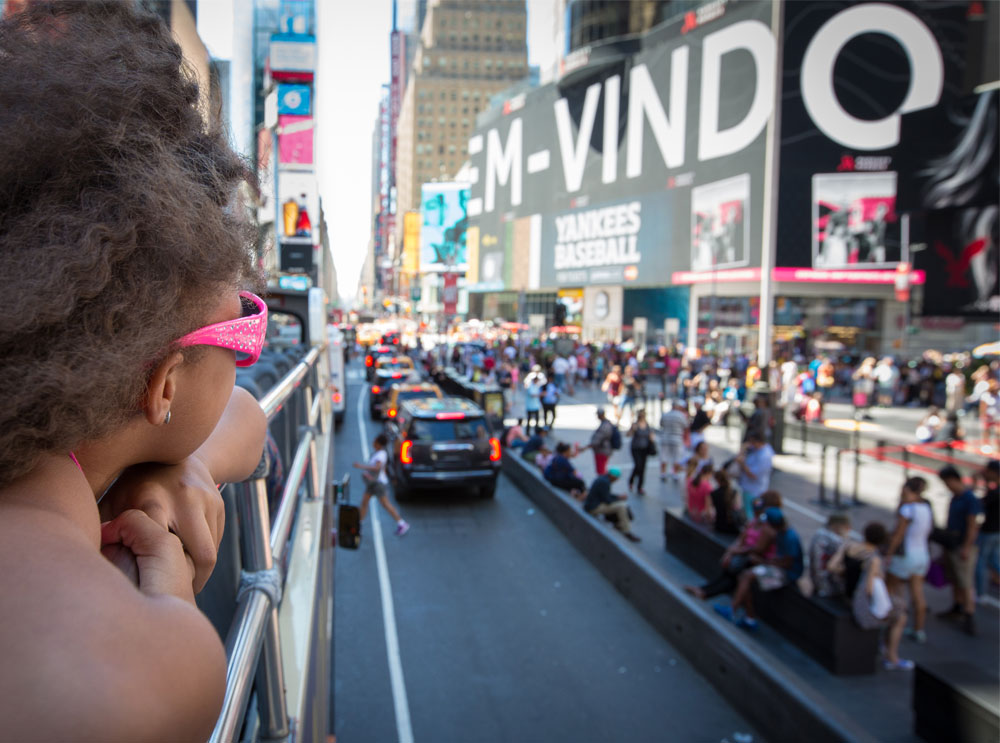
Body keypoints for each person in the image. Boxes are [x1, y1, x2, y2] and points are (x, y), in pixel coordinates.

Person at [0, 3, 270, 737]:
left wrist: (177, 466)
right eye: (243, 330)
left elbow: (243, 421)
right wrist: (172, 601)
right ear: (165, 385)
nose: (249, 352)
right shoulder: (148, 667)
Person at [829, 523, 912, 671]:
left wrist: (847, 573)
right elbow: (869, 590)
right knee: (901, 616)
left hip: (845, 594)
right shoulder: (874, 559)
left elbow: (832, 566)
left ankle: (882, 644)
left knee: (896, 606)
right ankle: (892, 656)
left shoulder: (849, 547)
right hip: (860, 603)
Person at [715, 507, 804, 632]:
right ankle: (749, 618)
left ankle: (733, 609)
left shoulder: (790, 537)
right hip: (777, 566)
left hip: (788, 574)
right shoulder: (779, 533)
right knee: (744, 577)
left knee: (746, 576)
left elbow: (787, 564)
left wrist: (764, 562)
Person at [685, 493, 780, 600]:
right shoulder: (756, 521)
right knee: (731, 569)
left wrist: (736, 552)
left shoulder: (769, 527)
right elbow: (742, 538)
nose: (756, 511)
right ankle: (704, 590)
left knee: (736, 572)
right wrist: (730, 552)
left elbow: (758, 549)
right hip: (746, 554)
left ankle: (706, 592)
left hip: (756, 558)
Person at [885, 477, 933, 643]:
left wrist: (888, 554)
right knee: (917, 594)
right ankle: (919, 629)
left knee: (893, 591)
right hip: (922, 555)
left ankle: (893, 623)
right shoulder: (926, 507)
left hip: (906, 555)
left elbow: (898, 535)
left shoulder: (907, 509)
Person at [936, 465, 982, 634]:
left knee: (966, 583)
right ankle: (957, 607)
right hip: (952, 544)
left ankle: (969, 615)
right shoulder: (957, 497)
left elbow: (972, 525)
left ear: (954, 480)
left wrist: (967, 547)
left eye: (947, 483)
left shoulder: (969, 499)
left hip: (963, 546)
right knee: (955, 579)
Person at [354, 434, 409, 536]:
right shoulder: (379, 453)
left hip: (378, 484)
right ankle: (359, 524)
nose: (373, 444)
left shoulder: (381, 455)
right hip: (373, 483)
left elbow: (377, 468)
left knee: (385, 504)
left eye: (375, 442)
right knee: (364, 502)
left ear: (379, 444)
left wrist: (360, 466)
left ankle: (401, 523)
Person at [583, 468, 641, 542]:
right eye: (616, 478)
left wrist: (618, 497)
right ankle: (626, 531)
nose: (616, 480)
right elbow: (607, 500)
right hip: (593, 508)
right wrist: (619, 499)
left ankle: (619, 524)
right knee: (621, 506)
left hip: (592, 504)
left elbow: (605, 495)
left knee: (619, 504)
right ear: (613, 476)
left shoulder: (603, 479)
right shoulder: (605, 482)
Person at [808, 513, 852, 598]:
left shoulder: (819, 533)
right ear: (837, 526)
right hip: (828, 585)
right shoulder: (836, 541)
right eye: (847, 527)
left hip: (816, 580)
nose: (848, 530)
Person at [735, 433, 775, 520]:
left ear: (758, 442)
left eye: (752, 442)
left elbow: (754, 474)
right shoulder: (755, 449)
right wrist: (743, 449)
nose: (751, 444)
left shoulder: (765, 455)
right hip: (749, 487)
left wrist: (742, 464)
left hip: (755, 490)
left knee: (753, 514)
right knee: (749, 512)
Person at [976, 460, 1000, 600]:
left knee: (981, 562)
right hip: (996, 532)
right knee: (994, 560)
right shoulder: (995, 490)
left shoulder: (995, 492)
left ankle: (980, 594)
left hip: (990, 532)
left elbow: (981, 503)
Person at [659, 400, 689, 482]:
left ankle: (663, 473)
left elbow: (661, 424)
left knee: (664, 456)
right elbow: (686, 426)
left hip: (665, 438)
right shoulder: (681, 416)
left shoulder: (665, 415)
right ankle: (674, 473)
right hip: (677, 438)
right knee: (677, 457)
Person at [627, 409, 655, 495]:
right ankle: (631, 480)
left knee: (643, 468)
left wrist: (652, 438)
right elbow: (628, 435)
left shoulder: (647, 425)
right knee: (638, 465)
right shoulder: (635, 425)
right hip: (636, 448)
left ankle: (639, 486)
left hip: (645, 449)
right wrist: (632, 429)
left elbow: (651, 435)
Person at [710, 469, 743, 535]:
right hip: (733, 527)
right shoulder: (735, 492)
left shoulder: (713, 493)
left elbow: (709, 513)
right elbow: (738, 508)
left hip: (719, 526)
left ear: (717, 480)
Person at [588, 407, 617, 476]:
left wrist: (587, 446)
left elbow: (597, 439)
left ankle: (602, 483)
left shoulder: (605, 425)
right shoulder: (605, 424)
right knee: (601, 469)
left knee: (601, 470)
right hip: (603, 450)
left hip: (602, 450)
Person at [524, 366, 544, 434]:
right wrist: (540, 395)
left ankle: (536, 432)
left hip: (536, 406)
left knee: (537, 420)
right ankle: (528, 432)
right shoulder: (530, 386)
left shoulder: (537, 386)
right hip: (530, 406)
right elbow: (532, 394)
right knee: (529, 420)